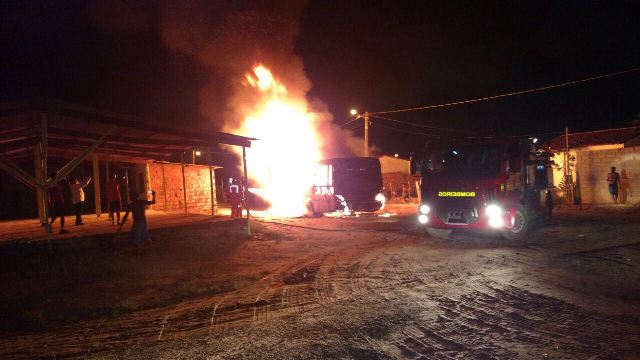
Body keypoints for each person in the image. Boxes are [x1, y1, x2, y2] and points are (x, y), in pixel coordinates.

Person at [118, 190, 155, 255]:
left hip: (137, 223)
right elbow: (153, 202)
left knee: (136, 238)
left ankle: (138, 253)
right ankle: (151, 250)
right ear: (137, 196)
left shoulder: (131, 205)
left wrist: (121, 226)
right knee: (146, 236)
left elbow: (125, 216)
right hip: (143, 222)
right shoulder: (142, 202)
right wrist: (154, 195)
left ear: (131, 197)